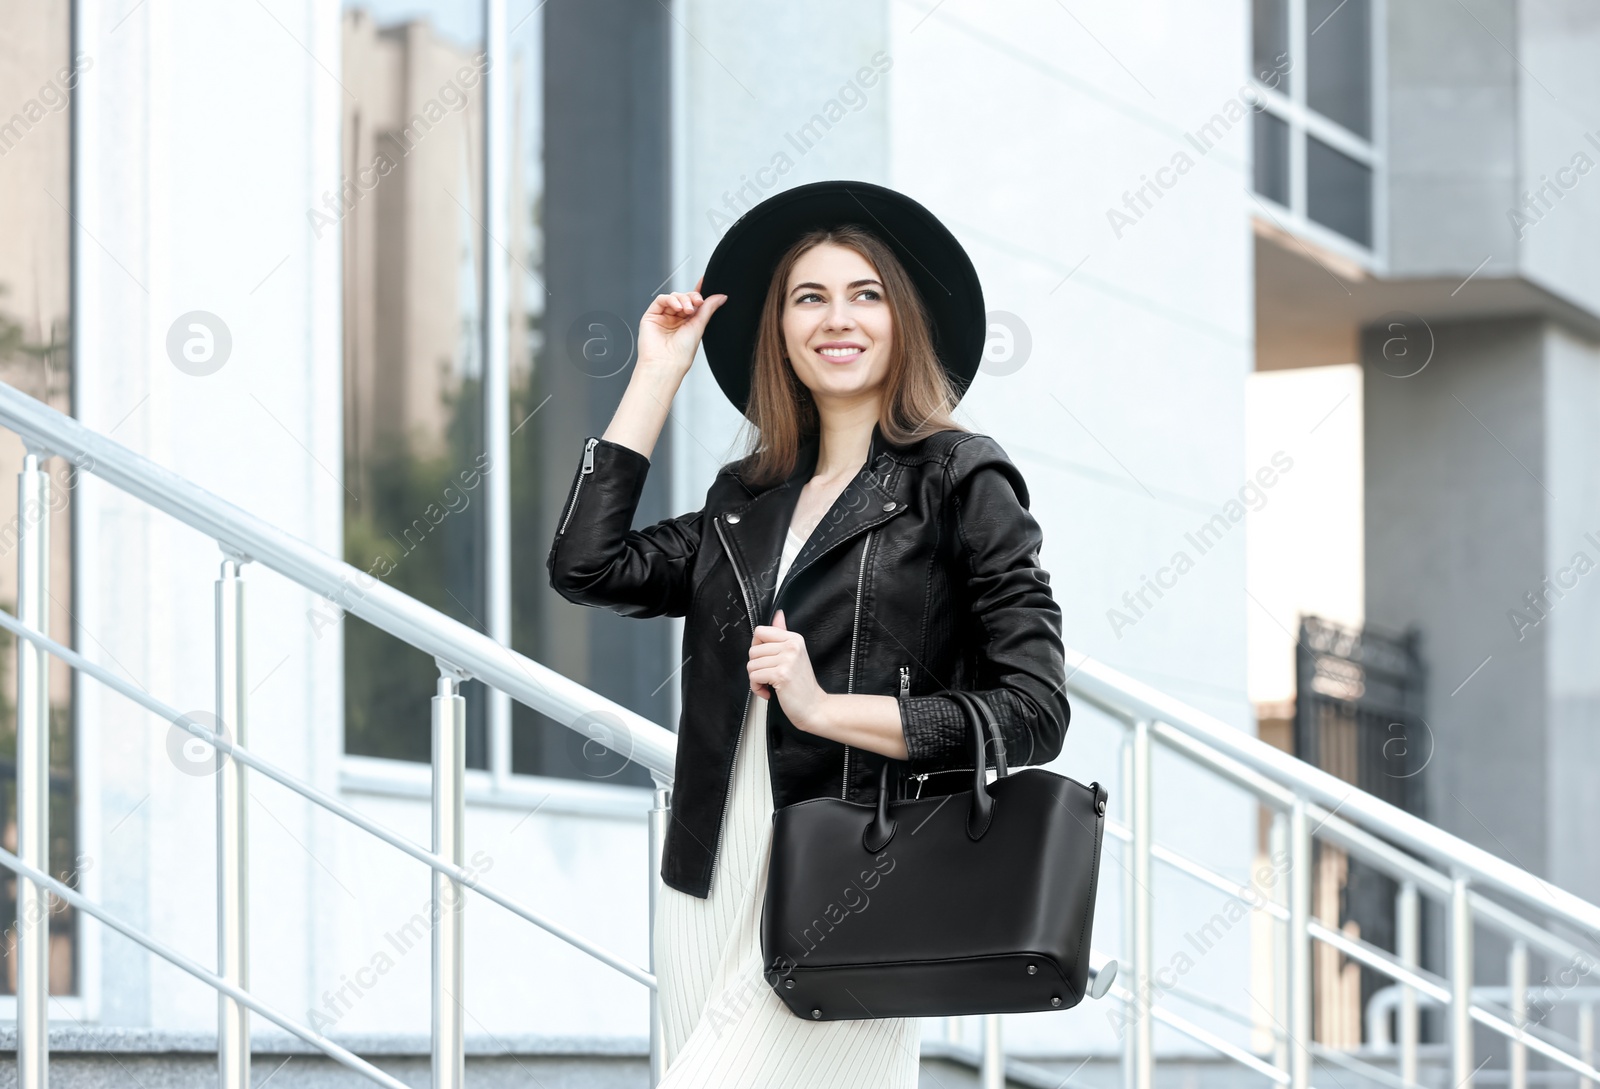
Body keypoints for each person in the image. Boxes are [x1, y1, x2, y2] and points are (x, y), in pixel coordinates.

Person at [547, 179, 1071, 1087]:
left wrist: (826, 708)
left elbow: (1034, 710)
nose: (840, 318)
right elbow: (586, 566)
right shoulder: (746, 500)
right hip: (709, 872)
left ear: (903, 321)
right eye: (810, 296)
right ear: (780, 329)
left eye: (866, 294)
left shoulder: (960, 479)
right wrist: (656, 374)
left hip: (858, 863)